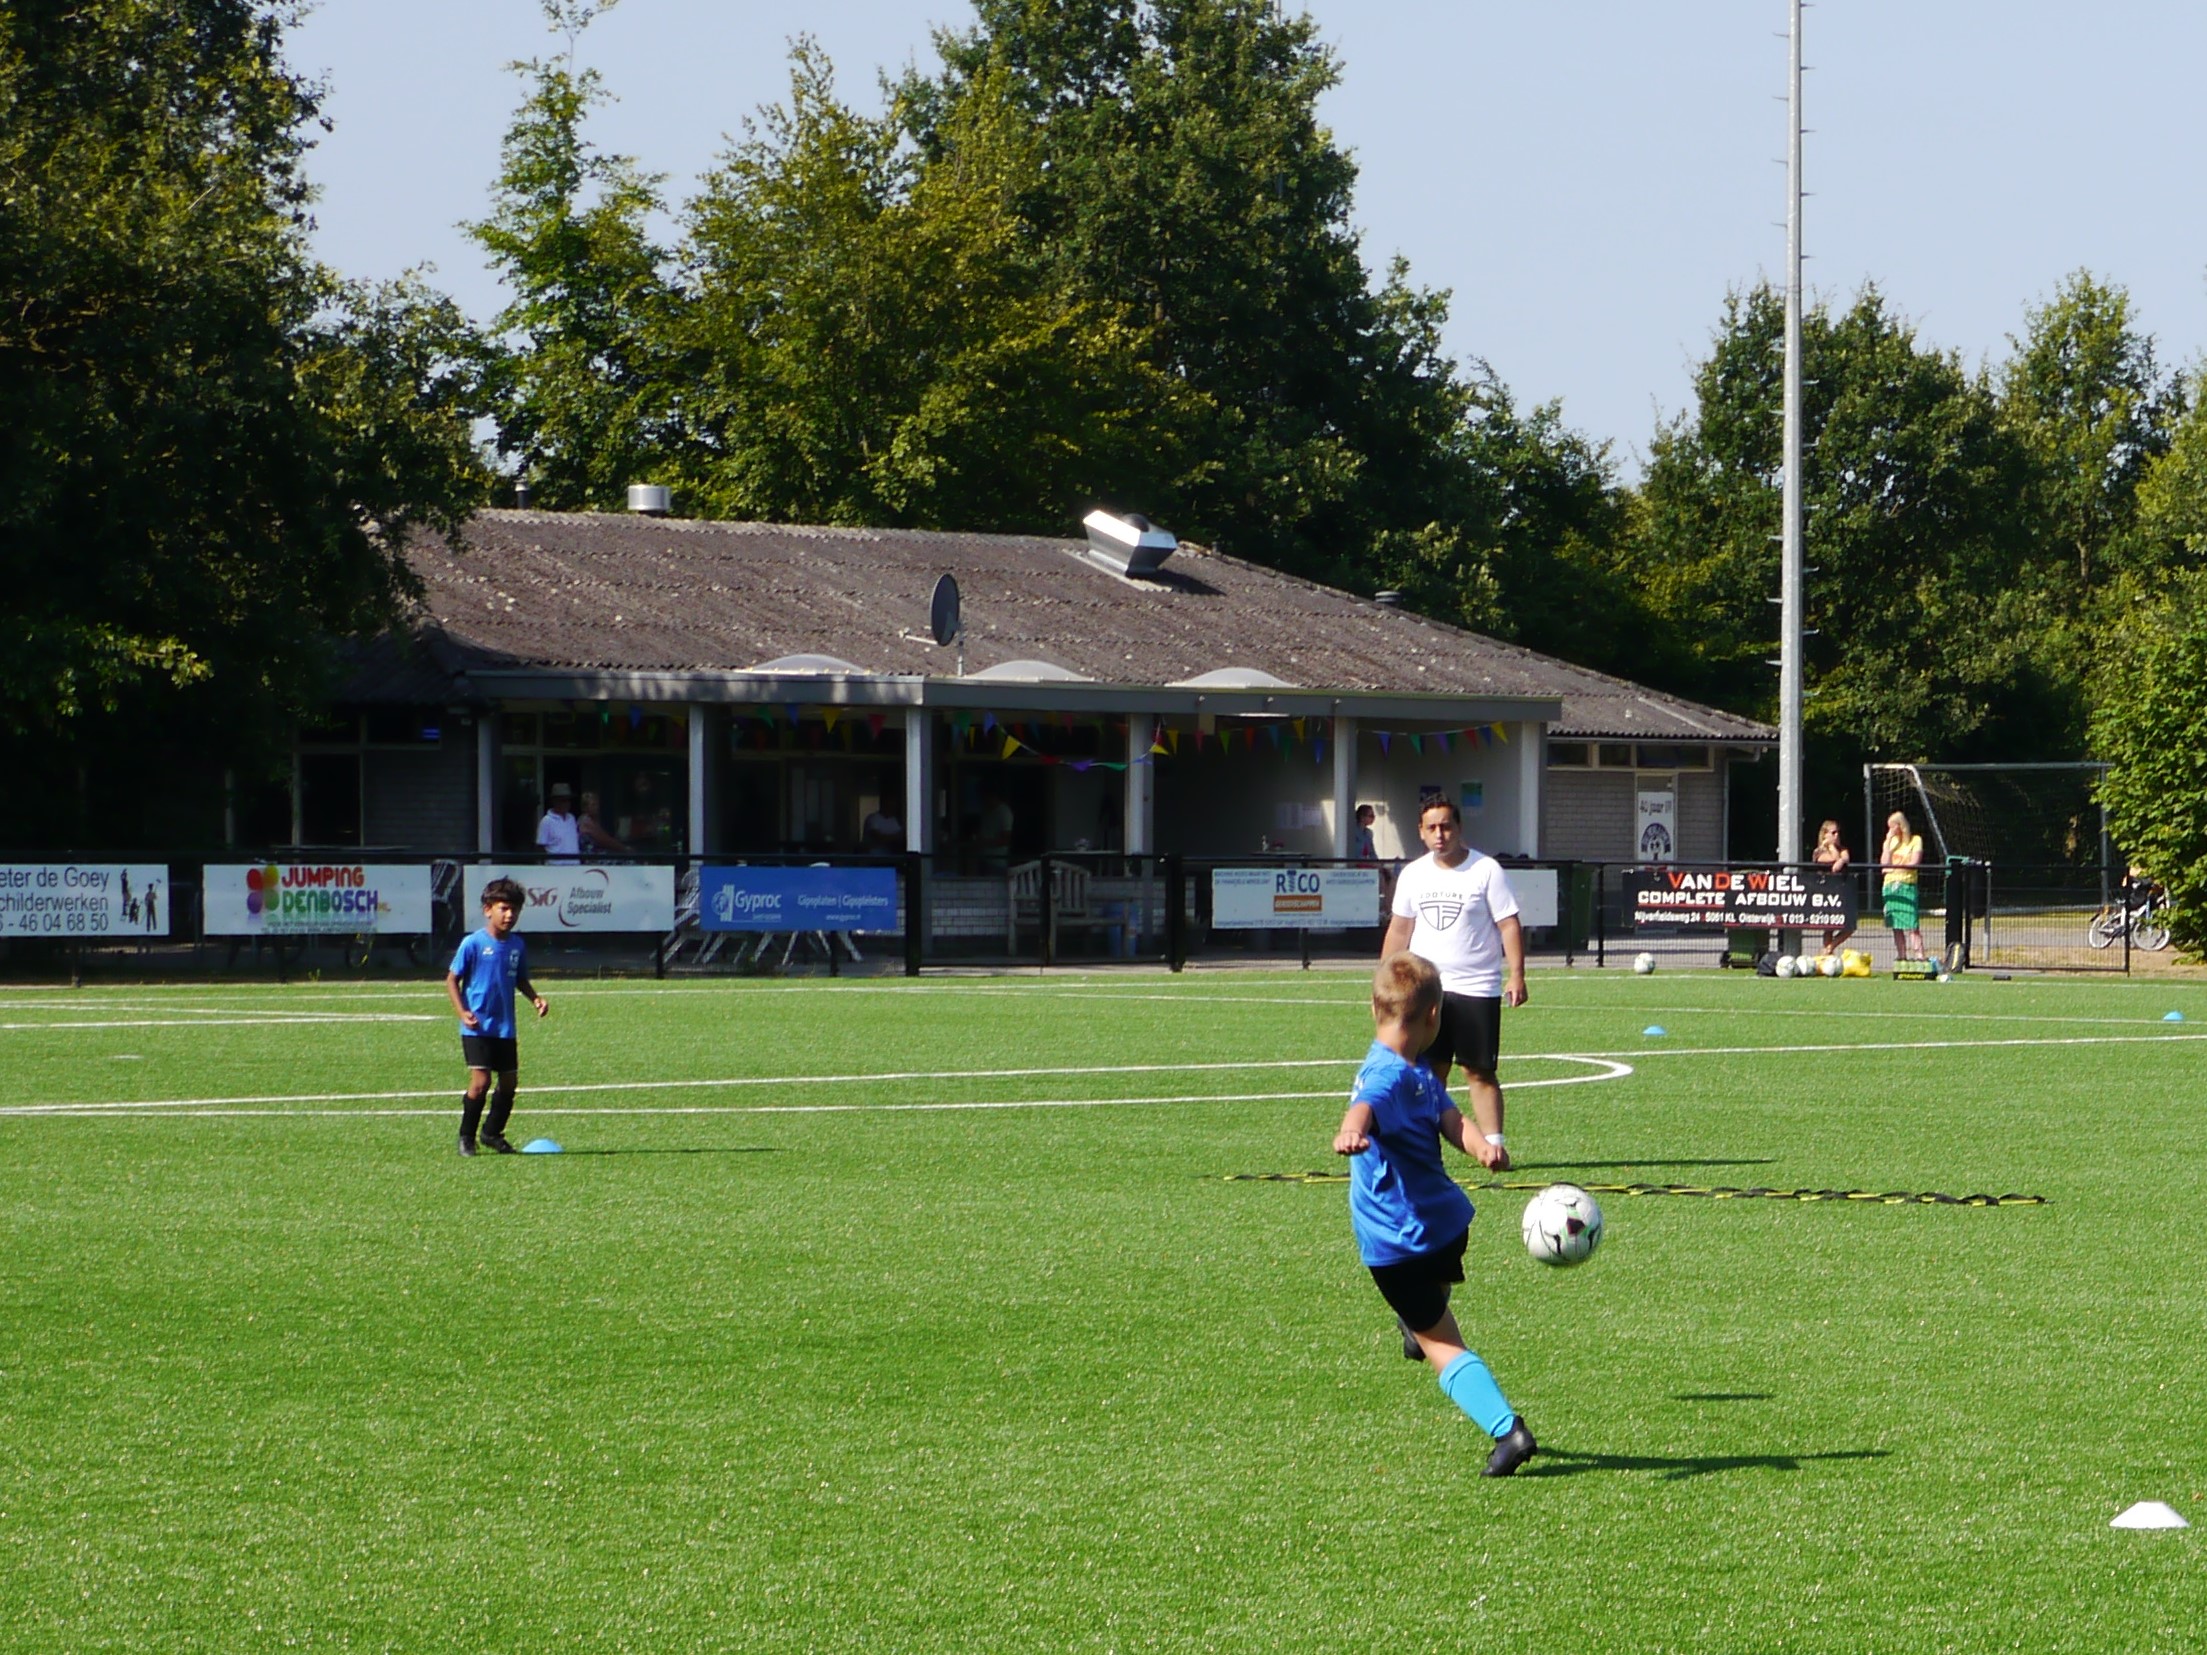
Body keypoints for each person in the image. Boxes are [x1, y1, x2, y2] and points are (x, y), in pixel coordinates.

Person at [1333, 951, 1537, 1477]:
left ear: (1373, 1008)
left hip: (1398, 1242)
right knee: (1426, 1307)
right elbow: (1452, 1118)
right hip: (1449, 1227)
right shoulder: (1420, 1074)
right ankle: (1416, 1319)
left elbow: (1365, 1104)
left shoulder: (1382, 1073)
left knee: (1441, 1342)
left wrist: (1351, 1129)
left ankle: (1507, 1431)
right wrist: (1483, 1145)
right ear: (1433, 1016)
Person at [1381, 796, 1526, 1172]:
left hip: (1476, 988)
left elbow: (1508, 924)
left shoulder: (1486, 870)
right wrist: (1386, 979)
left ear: (1459, 828)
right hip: (1427, 991)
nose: (1440, 834)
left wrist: (1516, 974)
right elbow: (1399, 929)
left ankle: (1494, 1149)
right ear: (1421, 832)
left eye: (1446, 826)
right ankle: (1424, 1150)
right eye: (1431, 827)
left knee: (1479, 1071)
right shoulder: (1413, 874)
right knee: (1430, 1074)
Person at [445, 876, 548, 1157]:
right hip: (477, 1027)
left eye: (514, 909)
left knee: (509, 1083)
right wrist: (462, 1012)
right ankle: (466, 1137)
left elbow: (520, 978)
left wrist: (535, 998)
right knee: (481, 1083)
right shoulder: (473, 943)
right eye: (504, 908)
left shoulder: (517, 946)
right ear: (488, 909)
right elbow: (452, 979)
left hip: (505, 1028)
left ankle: (492, 1133)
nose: (509, 915)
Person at [1881, 810, 1926, 961]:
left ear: (1900, 826)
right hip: (1890, 885)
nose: (1890, 830)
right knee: (1896, 925)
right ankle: (1901, 955)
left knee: (1912, 924)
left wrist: (1893, 868)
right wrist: (1888, 842)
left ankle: (1920, 955)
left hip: (1907, 884)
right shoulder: (1890, 842)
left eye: (1892, 827)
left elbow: (1914, 862)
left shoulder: (1915, 840)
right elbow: (1884, 864)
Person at [1812, 819, 1855, 952]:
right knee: (1829, 926)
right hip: (1826, 892)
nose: (1836, 835)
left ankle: (1829, 949)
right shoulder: (1818, 851)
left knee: (1849, 926)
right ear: (1825, 834)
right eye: (1833, 832)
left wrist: (1841, 860)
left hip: (1841, 891)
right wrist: (1831, 847)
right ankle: (1828, 956)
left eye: (1838, 832)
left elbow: (1845, 858)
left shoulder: (1843, 849)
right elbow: (1832, 860)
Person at [536, 783, 581, 864]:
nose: (567, 804)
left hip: (574, 866)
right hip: (555, 867)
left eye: (568, 800)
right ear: (555, 801)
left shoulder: (572, 818)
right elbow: (541, 847)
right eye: (563, 800)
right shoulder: (546, 821)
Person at [577, 789, 628, 857]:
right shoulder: (585, 821)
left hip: (599, 854)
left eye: (597, 804)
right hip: (590, 857)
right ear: (585, 808)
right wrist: (625, 849)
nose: (597, 807)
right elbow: (605, 840)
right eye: (593, 805)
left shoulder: (594, 820)